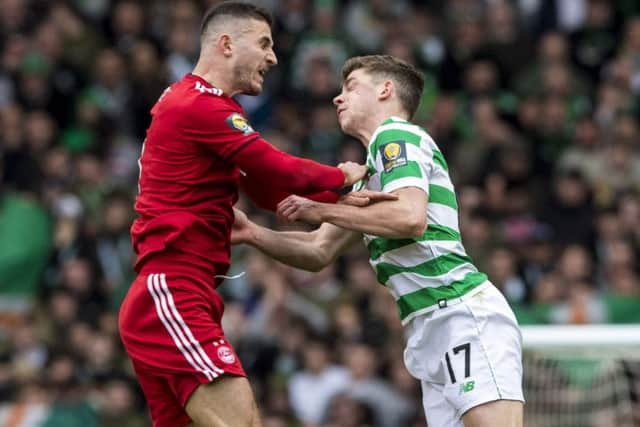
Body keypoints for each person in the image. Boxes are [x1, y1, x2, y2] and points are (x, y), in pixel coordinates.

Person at [232, 55, 524, 427]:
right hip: (428, 329)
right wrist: (251, 233)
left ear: (385, 90)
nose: (338, 98)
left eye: (351, 87)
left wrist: (323, 210)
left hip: (460, 313)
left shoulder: (395, 134)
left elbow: (410, 218)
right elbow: (317, 250)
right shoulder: (371, 174)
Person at [117, 3, 369, 427]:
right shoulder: (197, 103)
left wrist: (345, 200)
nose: (273, 57)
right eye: (265, 43)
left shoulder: (199, 105)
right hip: (173, 289)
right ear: (226, 43)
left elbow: (266, 189)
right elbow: (276, 167)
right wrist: (343, 175)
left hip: (181, 291)